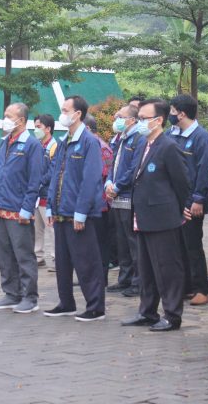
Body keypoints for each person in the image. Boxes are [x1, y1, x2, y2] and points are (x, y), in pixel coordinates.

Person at [120, 99, 190, 332]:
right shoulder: (142, 144)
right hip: (142, 216)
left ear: (158, 120)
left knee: (167, 269)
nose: (139, 123)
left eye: (143, 119)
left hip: (163, 218)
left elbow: (182, 183)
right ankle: (147, 312)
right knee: (146, 269)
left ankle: (172, 315)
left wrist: (177, 209)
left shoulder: (168, 147)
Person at [44, 95, 106, 322]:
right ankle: (66, 302)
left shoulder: (89, 142)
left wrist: (81, 212)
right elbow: (55, 176)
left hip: (79, 214)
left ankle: (96, 307)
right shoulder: (63, 141)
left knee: (86, 262)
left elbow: (90, 180)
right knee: (62, 262)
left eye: (65, 110)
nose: (62, 114)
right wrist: (51, 206)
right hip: (60, 212)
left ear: (77, 114)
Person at [0, 103, 44, 313]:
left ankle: (30, 297)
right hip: (1, 207)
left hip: (19, 210)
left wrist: (27, 208)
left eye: (10, 116)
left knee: (24, 254)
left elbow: (35, 180)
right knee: (4, 253)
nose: (5, 119)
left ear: (22, 120)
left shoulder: (31, 145)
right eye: (5, 115)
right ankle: (11, 293)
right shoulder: (5, 142)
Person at [167, 94, 208, 306]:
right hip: (173, 201)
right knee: (178, 247)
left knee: (193, 245)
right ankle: (186, 286)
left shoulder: (201, 137)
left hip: (191, 201)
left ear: (182, 113)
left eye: (172, 111)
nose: (170, 115)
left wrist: (198, 199)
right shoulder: (173, 133)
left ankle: (202, 289)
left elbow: (204, 170)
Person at [105, 104, 145, 297]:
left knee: (132, 241)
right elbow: (114, 164)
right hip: (116, 197)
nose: (116, 119)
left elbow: (133, 169)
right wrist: (109, 184)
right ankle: (125, 279)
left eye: (120, 116)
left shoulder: (139, 138)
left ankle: (138, 282)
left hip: (129, 196)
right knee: (121, 241)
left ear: (131, 120)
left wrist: (118, 186)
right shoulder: (121, 138)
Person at [83, 114, 114, 286]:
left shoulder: (100, 147)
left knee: (100, 243)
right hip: (90, 203)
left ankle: (100, 278)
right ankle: (90, 276)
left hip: (100, 204)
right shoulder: (90, 145)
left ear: (87, 128)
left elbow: (102, 175)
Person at [33, 114, 57, 268]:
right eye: (35, 126)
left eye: (38, 126)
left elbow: (52, 171)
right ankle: (38, 257)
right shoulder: (38, 145)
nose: (35, 130)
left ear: (48, 129)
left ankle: (56, 258)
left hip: (46, 194)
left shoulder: (54, 146)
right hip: (36, 194)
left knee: (52, 229)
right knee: (37, 229)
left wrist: (38, 182)